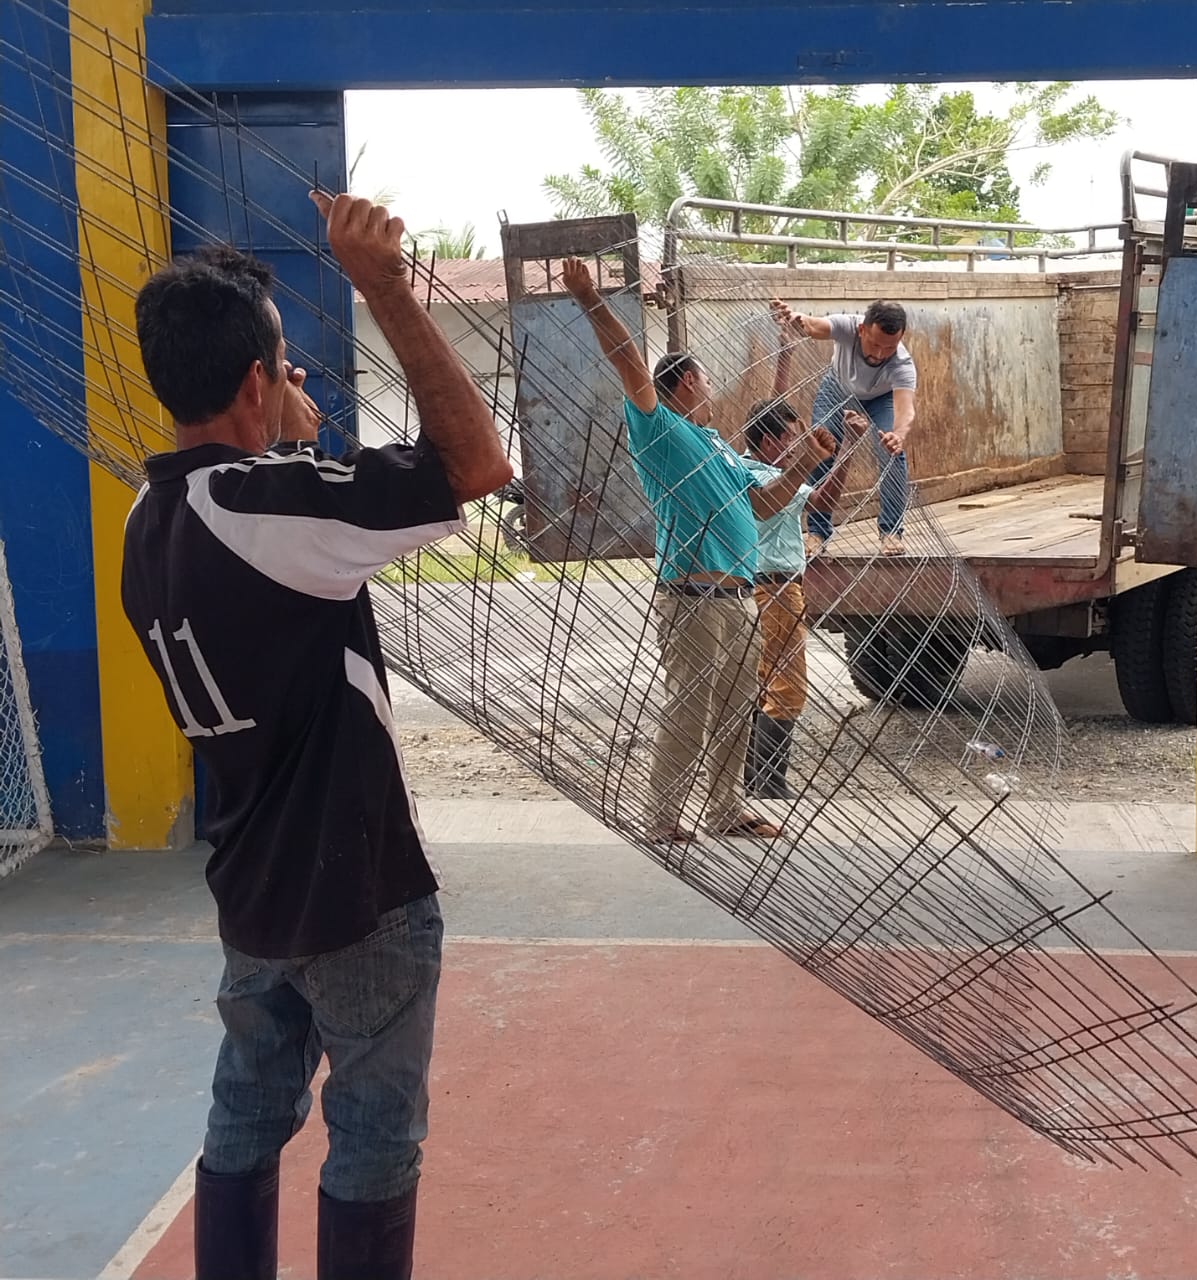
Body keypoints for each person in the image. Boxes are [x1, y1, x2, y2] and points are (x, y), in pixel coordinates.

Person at [122, 193, 512, 1280]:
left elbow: (280, 567)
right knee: (375, 1137)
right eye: (281, 364)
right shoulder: (268, 508)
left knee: (246, 1113)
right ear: (256, 381)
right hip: (355, 894)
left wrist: (284, 440)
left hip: (251, 890)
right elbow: (474, 464)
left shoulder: (149, 519)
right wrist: (384, 285)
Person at [560, 256, 832, 845]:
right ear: (686, 382)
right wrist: (588, 298)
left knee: (736, 706)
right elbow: (628, 360)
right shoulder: (660, 429)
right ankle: (662, 816)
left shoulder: (716, 445)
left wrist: (807, 461)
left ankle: (726, 808)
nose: (711, 390)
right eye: (706, 380)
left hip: (739, 596)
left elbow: (764, 504)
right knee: (688, 708)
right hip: (693, 596)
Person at [739, 331, 864, 800]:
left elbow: (775, 407)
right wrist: (845, 450)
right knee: (788, 687)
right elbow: (824, 501)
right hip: (774, 590)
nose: (796, 447)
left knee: (762, 683)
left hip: (761, 587)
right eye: (790, 438)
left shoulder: (749, 465)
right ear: (770, 440)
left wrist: (785, 355)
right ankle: (769, 785)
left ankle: (755, 781)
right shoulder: (766, 476)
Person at [769, 297, 918, 556]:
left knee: (892, 453)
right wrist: (792, 319)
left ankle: (891, 532)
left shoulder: (902, 363)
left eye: (889, 347)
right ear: (862, 329)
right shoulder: (846, 326)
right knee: (821, 447)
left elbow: (905, 409)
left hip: (880, 398)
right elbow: (811, 325)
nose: (880, 354)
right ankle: (817, 532)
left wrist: (898, 434)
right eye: (875, 344)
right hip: (836, 389)